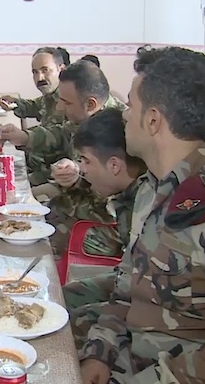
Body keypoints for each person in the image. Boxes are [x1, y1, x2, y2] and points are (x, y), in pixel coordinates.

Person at [72, 46, 205, 384]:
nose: (124, 115)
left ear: (153, 120)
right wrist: (101, 350)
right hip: (136, 357)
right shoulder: (149, 191)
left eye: (131, 105)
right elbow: (126, 289)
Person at [0, 60, 124, 256]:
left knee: (24, 236)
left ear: (90, 104)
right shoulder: (86, 117)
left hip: (101, 225)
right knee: (14, 212)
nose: (58, 107)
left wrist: (78, 174)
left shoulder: (118, 130)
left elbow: (112, 201)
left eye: (66, 102)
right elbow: (61, 134)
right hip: (73, 200)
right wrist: (25, 137)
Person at [61, 108, 146, 310]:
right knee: (60, 297)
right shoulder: (129, 195)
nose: (82, 169)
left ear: (114, 165)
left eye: (86, 160)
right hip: (130, 283)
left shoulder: (146, 204)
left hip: (146, 304)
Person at [0, 47, 68, 185]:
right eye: (35, 72)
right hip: (39, 166)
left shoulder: (70, 97)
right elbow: (36, 106)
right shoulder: (51, 95)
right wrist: (15, 104)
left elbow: (61, 135)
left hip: (54, 175)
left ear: (61, 69)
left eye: (45, 70)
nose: (40, 78)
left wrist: (26, 137)